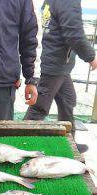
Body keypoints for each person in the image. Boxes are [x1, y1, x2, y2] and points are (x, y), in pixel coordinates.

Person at [24, 0, 97, 152]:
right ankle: (20, 144)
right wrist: (91, 57)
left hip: (59, 65)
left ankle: (69, 145)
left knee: (67, 101)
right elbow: (74, 33)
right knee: (39, 109)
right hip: (53, 65)